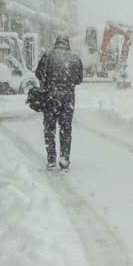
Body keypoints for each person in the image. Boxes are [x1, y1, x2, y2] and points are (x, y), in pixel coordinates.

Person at [35, 33, 84, 169]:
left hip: (50, 96)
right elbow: (79, 79)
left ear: (56, 43)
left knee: (50, 129)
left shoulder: (48, 56)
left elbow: (38, 73)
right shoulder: (75, 58)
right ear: (67, 44)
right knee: (66, 128)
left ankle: (51, 158)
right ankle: (64, 158)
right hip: (68, 98)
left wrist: (49, 81)